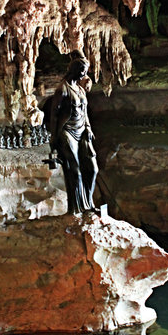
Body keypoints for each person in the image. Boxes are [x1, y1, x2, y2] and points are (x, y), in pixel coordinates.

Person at [48, 52, 98, 214]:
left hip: (82, 131)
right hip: (67, 131)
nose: (84, 73)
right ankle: (76, 208)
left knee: (92, 169)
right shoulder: (62, 89)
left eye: (85, 70)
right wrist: (54, 137)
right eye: (82, 69)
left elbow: (85, 113)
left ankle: (88, 203)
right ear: (74, 69)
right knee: (74, 170)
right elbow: (54, 115)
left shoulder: (80, 90)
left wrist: (88, 128)